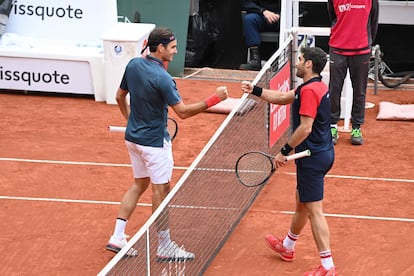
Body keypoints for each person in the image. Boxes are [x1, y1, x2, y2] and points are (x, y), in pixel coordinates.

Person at [106, 27, 229, 261]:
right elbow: (182, 112)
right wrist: (215, 99)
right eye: (172, 47)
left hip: (133, 140)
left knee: (139, 183)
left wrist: (131, 121)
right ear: (160, 48)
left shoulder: (133, 64)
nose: (176, 51)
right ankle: (164, 246)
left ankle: (117, 236)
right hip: (153, 144)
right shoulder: (163, 78)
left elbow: (119, 97)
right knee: (161, 191)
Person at [241, 46, 337, 275]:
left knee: (315, 211)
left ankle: (328, 266)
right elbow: (283, 97)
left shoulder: (310, 91)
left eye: (301, 59)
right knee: (301, 203)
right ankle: (288, 246)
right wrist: (255, 89)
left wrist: (284, 150)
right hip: (320, 153)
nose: (297, 63)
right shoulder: (313, 86)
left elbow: (305, 128)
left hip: (312, 157)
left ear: (309, 65)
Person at [328, 0, 379, 145]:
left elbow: (374, 20)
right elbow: (332, 16)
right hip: (338, 48)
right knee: (334, 89)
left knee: (359, 91)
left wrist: (367, 42)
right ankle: (332, 127)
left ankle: (356, 127)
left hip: (361, 49)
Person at [239, 0, 281, 71]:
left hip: (283, 18)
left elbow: (300, 6)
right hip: (263, 16)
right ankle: (255, 60)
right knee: (249, 19)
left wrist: (281, 15)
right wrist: (263, 11)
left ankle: (283, 60)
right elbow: (247, 3)